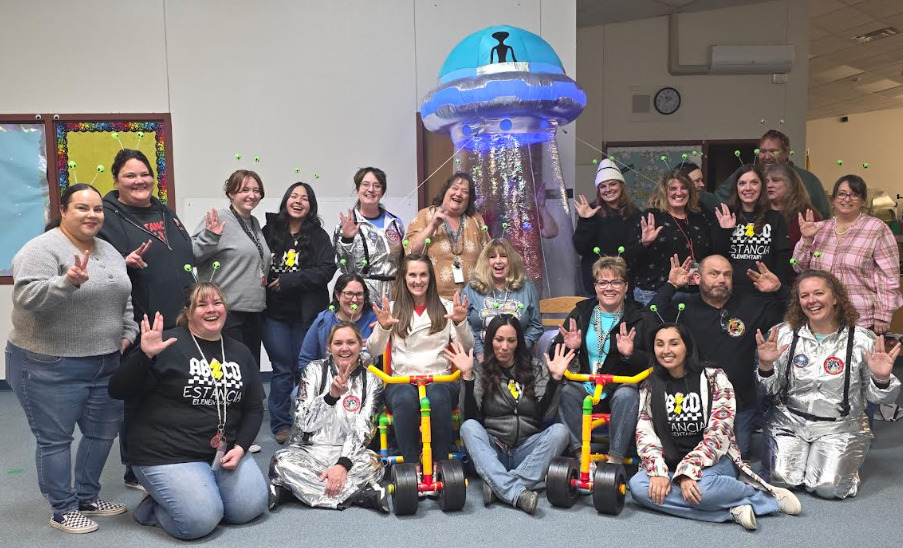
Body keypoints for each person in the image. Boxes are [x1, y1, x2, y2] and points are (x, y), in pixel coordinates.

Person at [7, 184, 138, 534]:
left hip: (105, 361)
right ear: (63, 211)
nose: (92, 215)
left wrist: (129, 330)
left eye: (97, 209)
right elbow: (26, 297)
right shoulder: (41, 249)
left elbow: (123, 295)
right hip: (48, 363)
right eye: (82, 207)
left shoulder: (108, 249)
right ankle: (63, 509)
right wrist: (66, 282)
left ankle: (87, 497)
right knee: (56, 439)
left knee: (102, 433)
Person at [108, 283, 267, 540]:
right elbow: (117, 390)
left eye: (217, 303)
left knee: (249, 508)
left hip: (220, 451)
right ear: (188, 312)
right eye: (202, 304)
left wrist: (241, 448)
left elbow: (254, 408)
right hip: (166, 454)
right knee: (199, 521)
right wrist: (144, 356)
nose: (211, 309)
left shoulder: (240, 352)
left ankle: (198, 490)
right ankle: (153, 507)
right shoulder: (166, 343)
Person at [629, 323, 801, 530]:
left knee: (704, 488)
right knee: (638, 486)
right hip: (671, 462)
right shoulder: (650, 385)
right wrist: (658, 471)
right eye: (660, 344)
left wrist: (687, 472)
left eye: (674, 343)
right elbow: (645, 434)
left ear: (687, 347)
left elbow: (719, 434)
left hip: (715, 461)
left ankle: (763, 496)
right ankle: (730, 511)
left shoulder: (715, 378)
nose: (666, 350)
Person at [98, 148, 196, 490]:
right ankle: (134, 469)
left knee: (173, 393)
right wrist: (121, 262)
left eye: (145, 174)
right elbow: (92, 265)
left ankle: (171, 454)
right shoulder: (106, 217)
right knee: (139, 398)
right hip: (140, 323)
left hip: (179, 321)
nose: (139, 181)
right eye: (130, 175)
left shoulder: (163, 209)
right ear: (116, 180)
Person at [756, 270, 901, 499]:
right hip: (789, 422)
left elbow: (879, 398)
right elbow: (768, 390)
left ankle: (839, 464)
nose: (811, 301)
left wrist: (882, 379)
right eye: (804, 296)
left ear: (835, 298)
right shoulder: (783, 335)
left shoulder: (862, 340)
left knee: (828, 488)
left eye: (818, 293)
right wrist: (765, 366)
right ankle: (804, 460)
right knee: (781, 480)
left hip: (840, 427)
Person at [650, 254, 786, 458]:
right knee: (695, 459)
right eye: (714, 274)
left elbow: (796, 313)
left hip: (740, 406)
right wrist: (671, 286)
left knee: (733, 462)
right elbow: (651, 318)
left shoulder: (751, 305)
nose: (721, 279)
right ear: (698, 278)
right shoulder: (683, 308)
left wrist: (779, 289)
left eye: (727, 274)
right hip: (694, 406)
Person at [447, 315, 573, 514]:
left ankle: (498, 485)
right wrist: (467, 377)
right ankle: (516, 492)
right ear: (491, 341)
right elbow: (469, 417)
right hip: (494, 450)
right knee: (468, 427)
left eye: (511, 340)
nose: (504, 347)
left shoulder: (535, 368)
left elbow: (544, 415)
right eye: (499, 340)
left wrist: (555, 380)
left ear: (518, 342)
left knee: (560, 431)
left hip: (527, 450)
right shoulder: (481, 371)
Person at [367, 254, 474, 466]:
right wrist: (384, 327)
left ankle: (441, 460)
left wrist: (460, 323)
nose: (418, 281)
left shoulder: (447, 307)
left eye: (423, 275)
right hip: (402, 380)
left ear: (430, 278)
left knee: (437, 397)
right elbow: (374, 350)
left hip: (440, 379)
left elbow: (467, 347)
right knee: (405, 399)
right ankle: (411, 462)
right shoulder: (392, 309)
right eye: (412, 275)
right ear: (404, 278)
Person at [268, 322, 387, 512]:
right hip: (310, 450)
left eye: (351, 342)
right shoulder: (313, 371)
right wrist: (330, 397)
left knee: (375, 464)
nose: (345, 348)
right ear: (329, 347)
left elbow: (363, 429)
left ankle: (295, 491)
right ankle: (358, 496)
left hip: (350, 453)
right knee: (281, 461)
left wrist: (342, 464)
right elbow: (304, 423)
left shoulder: (372, 380)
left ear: (360, 346)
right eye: (338, 343)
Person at [551, 256, 654, 462]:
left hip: (620, 387)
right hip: (586, 385)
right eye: (603, 282)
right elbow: (556, 354)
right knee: (566, 392)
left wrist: (631, 354)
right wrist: (570, 347)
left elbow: (654, 360)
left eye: (616, 282)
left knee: (626, 395)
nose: (609, 288)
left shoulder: (641, 316)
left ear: (626, 287)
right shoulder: (581, 312)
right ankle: (581, 456)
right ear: (596, 287)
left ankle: (615, 459)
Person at [262, 182, 337, 444]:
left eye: (304, 198)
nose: (298, 201)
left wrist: (289, 281)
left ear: (310, 205)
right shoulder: (269, 230)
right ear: (286, 200)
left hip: (308, 315)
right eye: (293, 196)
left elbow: (326, 269)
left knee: (306, 369)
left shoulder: (318, 236)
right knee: (282, 369)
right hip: (274, 315)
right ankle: (281, 424)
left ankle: (308, 422)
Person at [794, 175, 902, 335]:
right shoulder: (819, 229)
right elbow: (798, 267)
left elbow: (889, 276)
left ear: (863, 200)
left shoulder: (876, 229)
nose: (847, 199)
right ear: (833, 199)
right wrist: (806, 240)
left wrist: (883, 315)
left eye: (854, 194)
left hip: (862, 319)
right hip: (823, 319)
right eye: (842, 194)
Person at [191, 170, 272, 367]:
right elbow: (191, 255)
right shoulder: (219, 218)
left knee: (249, 369)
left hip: (254, 311)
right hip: (227, 312)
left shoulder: (254, 222)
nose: (252, 195)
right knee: (229, 371)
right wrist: (210, 236)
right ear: (231, 193)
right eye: (244, 190)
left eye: (256, 190)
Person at [624, 168, 715, 305]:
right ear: (664, 192)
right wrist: (644, 243)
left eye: (683, 188)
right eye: (673, 188)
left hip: (694, 292)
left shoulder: (699, 217)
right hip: (655, 292)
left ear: (690, 191)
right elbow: (628, 256)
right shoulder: (651, 216)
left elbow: (711, 252)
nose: (679, 192)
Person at [403, 172, 490, 299]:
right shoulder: (425, 215)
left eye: (465, 191)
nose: (458, 194)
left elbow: (489, 256)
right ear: (445, 191)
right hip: (433, 300)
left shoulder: (476, 220)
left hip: (471, 300)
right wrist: (433, 225)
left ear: (469, 199)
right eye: (455, 188)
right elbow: (412, 253)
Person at [714, 129, 831, 219]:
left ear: (786, 152)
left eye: (773, 151)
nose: (767, 156)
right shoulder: (748, 174)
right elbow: (717, 200)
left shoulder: (808, 179)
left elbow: (824, 215)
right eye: (762, 151)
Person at [712, 165, 792, 294]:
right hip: (730, 292)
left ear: (762, 186)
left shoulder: (775, 218)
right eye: (742, 183)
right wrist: (725, 231)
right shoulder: (725, 215)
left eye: (754, 182)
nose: (748, 188)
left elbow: (782, 259)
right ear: (736, 188)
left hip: (766, 292)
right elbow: (716, 258)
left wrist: (780, 290)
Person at [462, 238, 543, 360]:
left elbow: (536, 326)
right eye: (492, 257)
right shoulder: (471, 289)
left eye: (503, 256)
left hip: (518, 358)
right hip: (481, 358)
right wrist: (480, 352)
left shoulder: (527, 288)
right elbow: (465, 326)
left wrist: (520, 350)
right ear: (485, 262)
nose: (498, 261)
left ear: (512, 261)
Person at [334, 167, 405, 300]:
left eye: (376, 186)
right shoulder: (346, 225)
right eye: (365, 185)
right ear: (358, 189)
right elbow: (344, 268)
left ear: (382, 192)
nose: (371, 190)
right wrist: (347, 240)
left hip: (396, 294)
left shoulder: (396, 223)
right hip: (362, 296)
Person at [572, 159, 641, 295]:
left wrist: (645, 243)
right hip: (596, 284)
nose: (608, 189)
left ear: (621, 185)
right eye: (603, 186)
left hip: (625, 283)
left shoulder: (634, 214)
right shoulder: (591, 211)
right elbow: (580, 248)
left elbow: (635, 252)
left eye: (612, 184)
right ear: (598, 190)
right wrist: (586, 220)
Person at [299, 273, 377, 374]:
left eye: (359, 294)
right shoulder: (324, 321)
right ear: (338, 295)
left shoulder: (376, 318)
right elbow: (305, 360)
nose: (354, 300)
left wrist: (384, 329)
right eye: (349, 294)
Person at [763, 163, 821, 250]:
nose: (769, 185)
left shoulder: (807, 216)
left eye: (775, 180)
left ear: (790, 183)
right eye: (766, 181)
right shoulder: (760, 212)